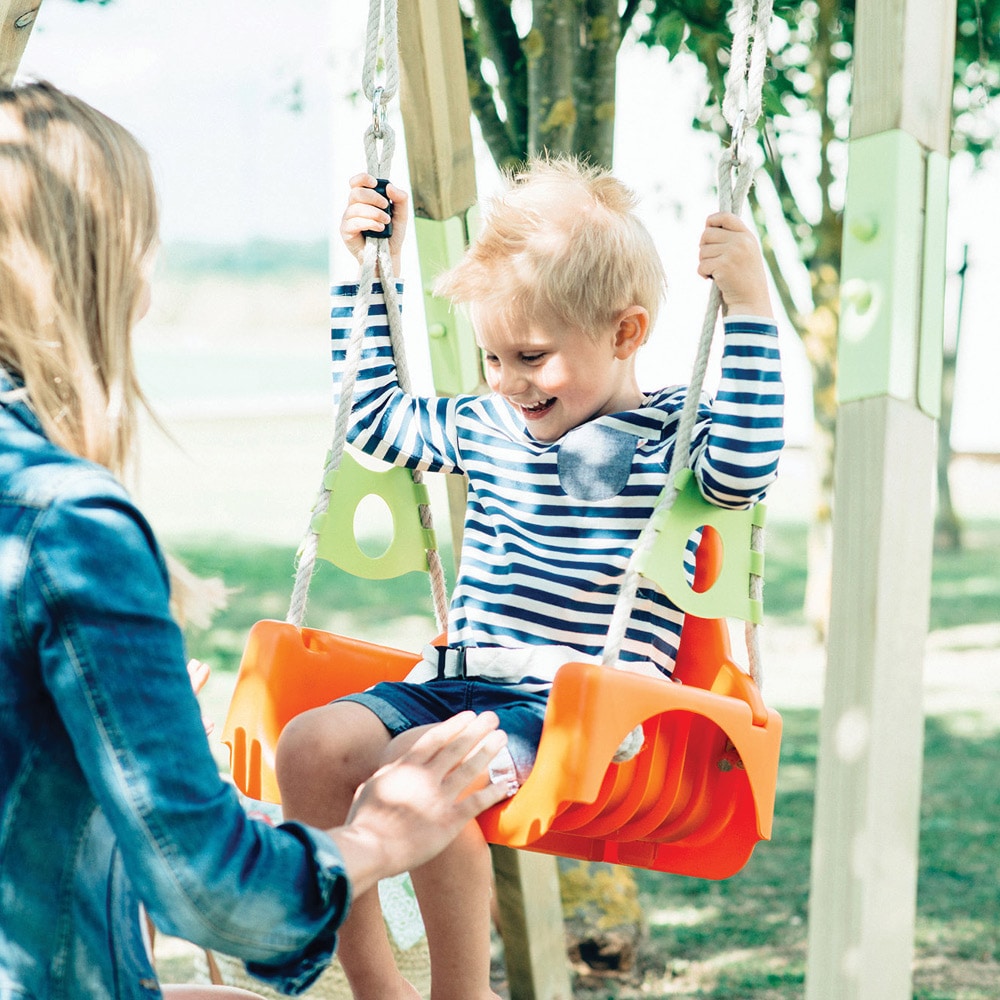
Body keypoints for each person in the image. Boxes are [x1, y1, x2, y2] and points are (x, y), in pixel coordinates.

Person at [0, 80, 512, 1000]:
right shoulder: (66, 527)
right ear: (86, 272)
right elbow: (214, 894)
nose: (148, 294)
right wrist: (380, 837)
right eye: (139, 256)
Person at [275, 158, 785, 1000]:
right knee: (310, 746)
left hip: (579, 710)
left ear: (625, 333)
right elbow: (370, 418)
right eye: (492, 358)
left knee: (416, 779)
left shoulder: (672, 436)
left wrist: (752, 309)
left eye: (531, 357)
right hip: (455, 680)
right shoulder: (486, 424)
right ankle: (372, 984)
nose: (509, 382)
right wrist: (370, 276)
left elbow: (742, 468)